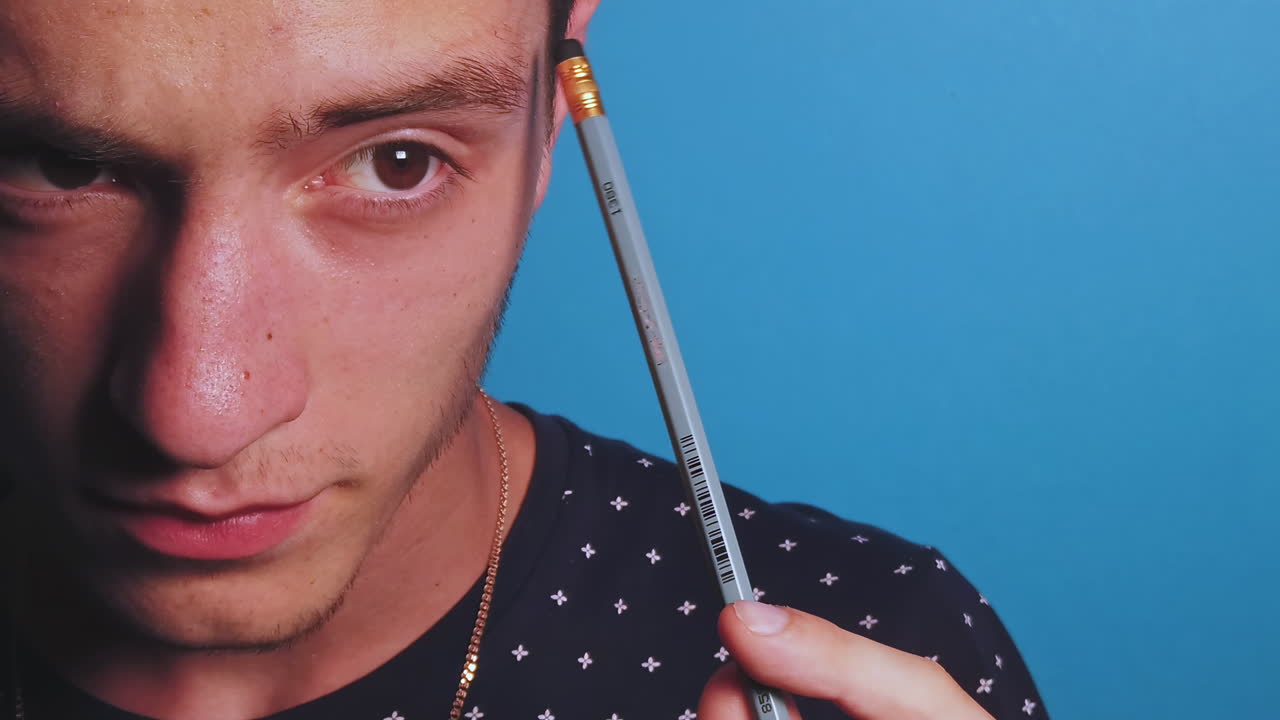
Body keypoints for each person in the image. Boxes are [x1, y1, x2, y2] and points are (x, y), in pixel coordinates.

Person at [0, 0, 1049, 718]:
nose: (199, 409)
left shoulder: (872, 653)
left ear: (557, 96)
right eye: (61, 164)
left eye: (395, 161)